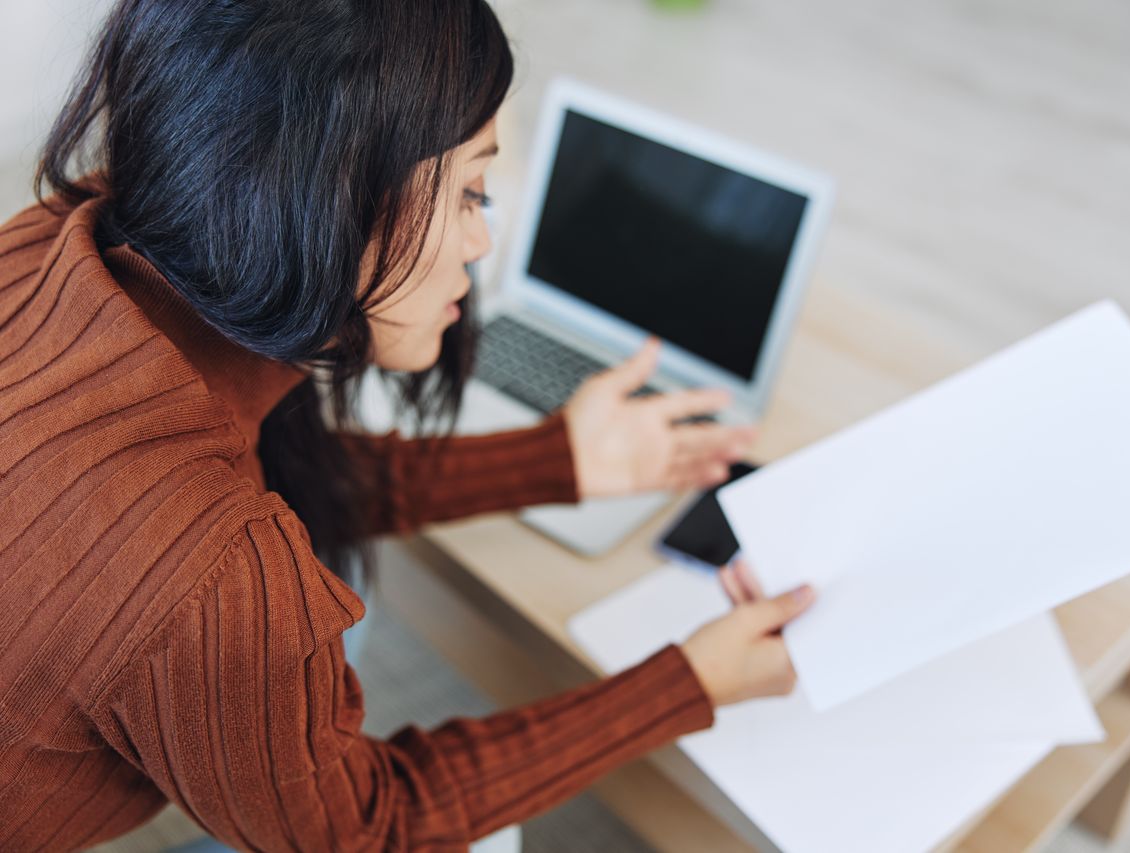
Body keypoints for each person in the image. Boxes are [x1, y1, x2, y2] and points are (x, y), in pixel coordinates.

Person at [0, 1, 816, 850]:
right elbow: (370, 829)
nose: (480, 241)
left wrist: (557, 459)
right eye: (469, 191)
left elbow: (261, 483)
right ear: (322, 194)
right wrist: (691, 682)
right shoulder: (210, 577)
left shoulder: (61, 243)